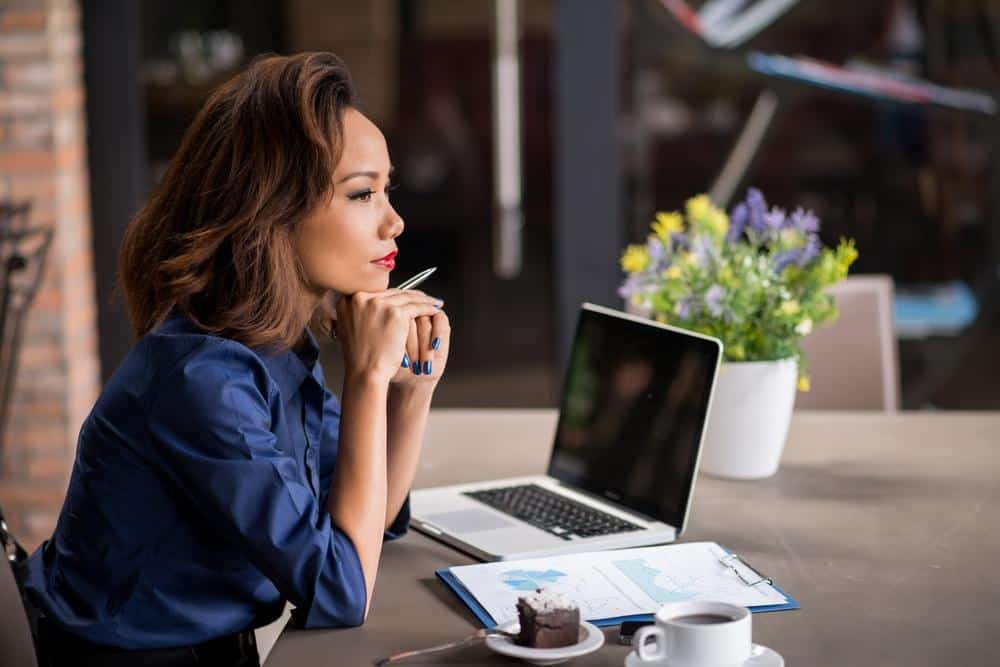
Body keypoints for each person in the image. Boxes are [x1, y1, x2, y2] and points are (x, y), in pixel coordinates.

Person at [19, 52, 450, 666]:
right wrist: (365, 376)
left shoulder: (276, 345)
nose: (394, 221)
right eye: (362, 194)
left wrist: (410, 390)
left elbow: (364, 527)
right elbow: (341, 587)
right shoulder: (203, 378)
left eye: (387, 190)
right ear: (275, 207)